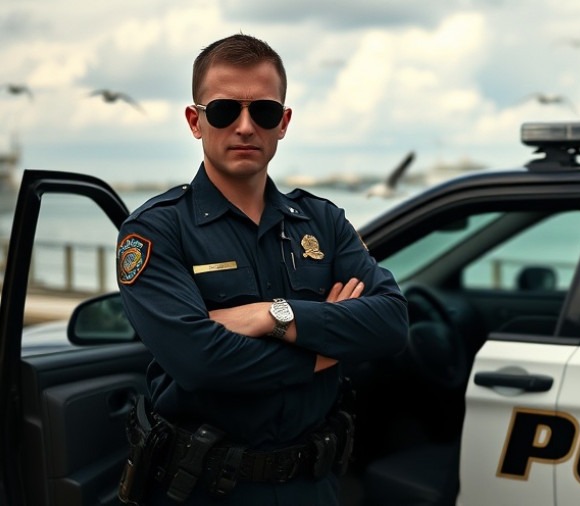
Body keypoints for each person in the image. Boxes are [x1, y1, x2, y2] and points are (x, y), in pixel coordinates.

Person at [115, 33, 409, 505]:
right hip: (203, 489)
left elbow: (391, 323)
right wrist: (323, 351)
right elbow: (200, 362)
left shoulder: (323, 222)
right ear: (195, 120)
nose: (246, 127)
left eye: (265, 111)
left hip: (314, 486)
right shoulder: (155, 231)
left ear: (284, 122)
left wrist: (272, 316)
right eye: (225, 111)